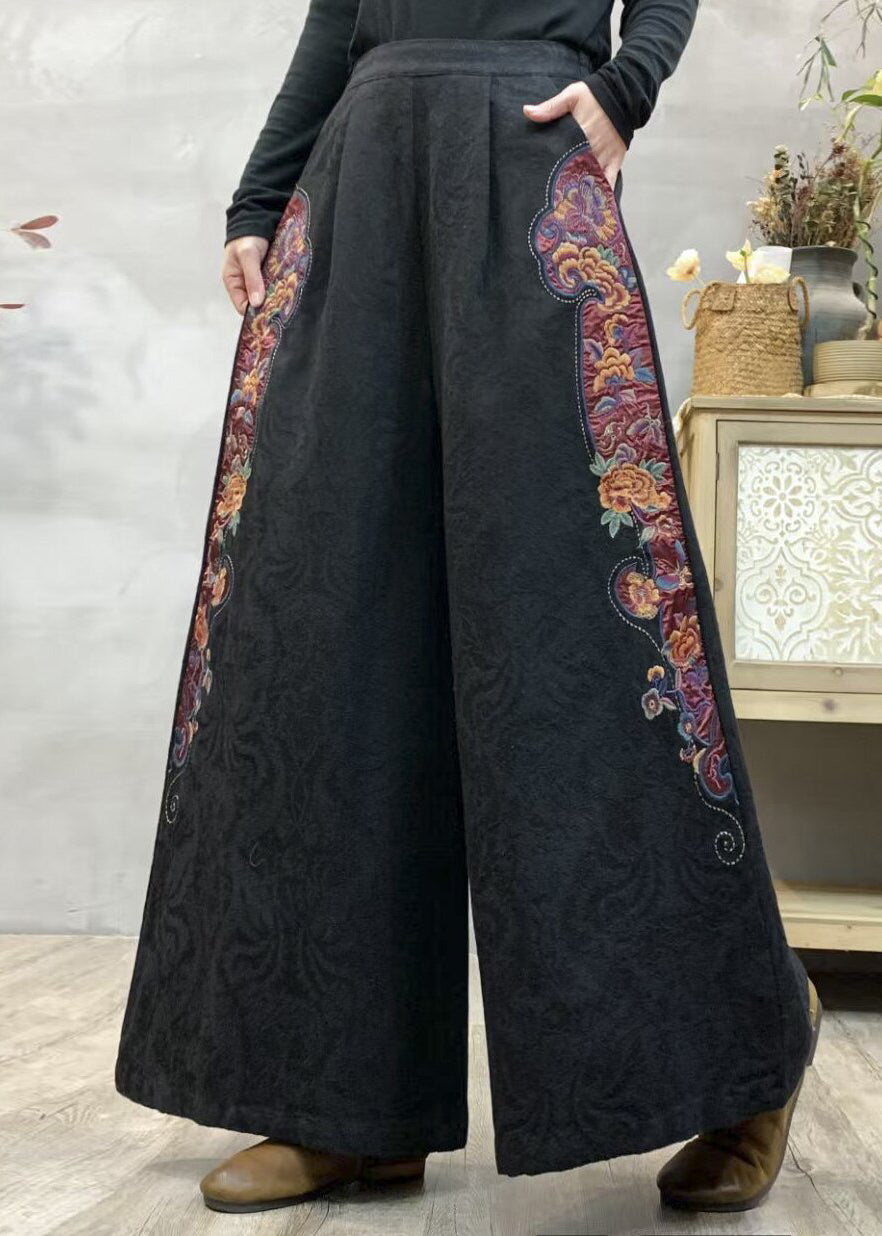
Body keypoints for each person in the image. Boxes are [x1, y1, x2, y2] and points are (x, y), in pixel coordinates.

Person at [115, 0, 822, 1216]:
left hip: (525, 177)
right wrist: (258, 198)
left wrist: (627, 85)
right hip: (360, 196)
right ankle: (351, 1107)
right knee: (333, 638)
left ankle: (747, 1055)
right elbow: (338, 19)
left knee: (585, 642)